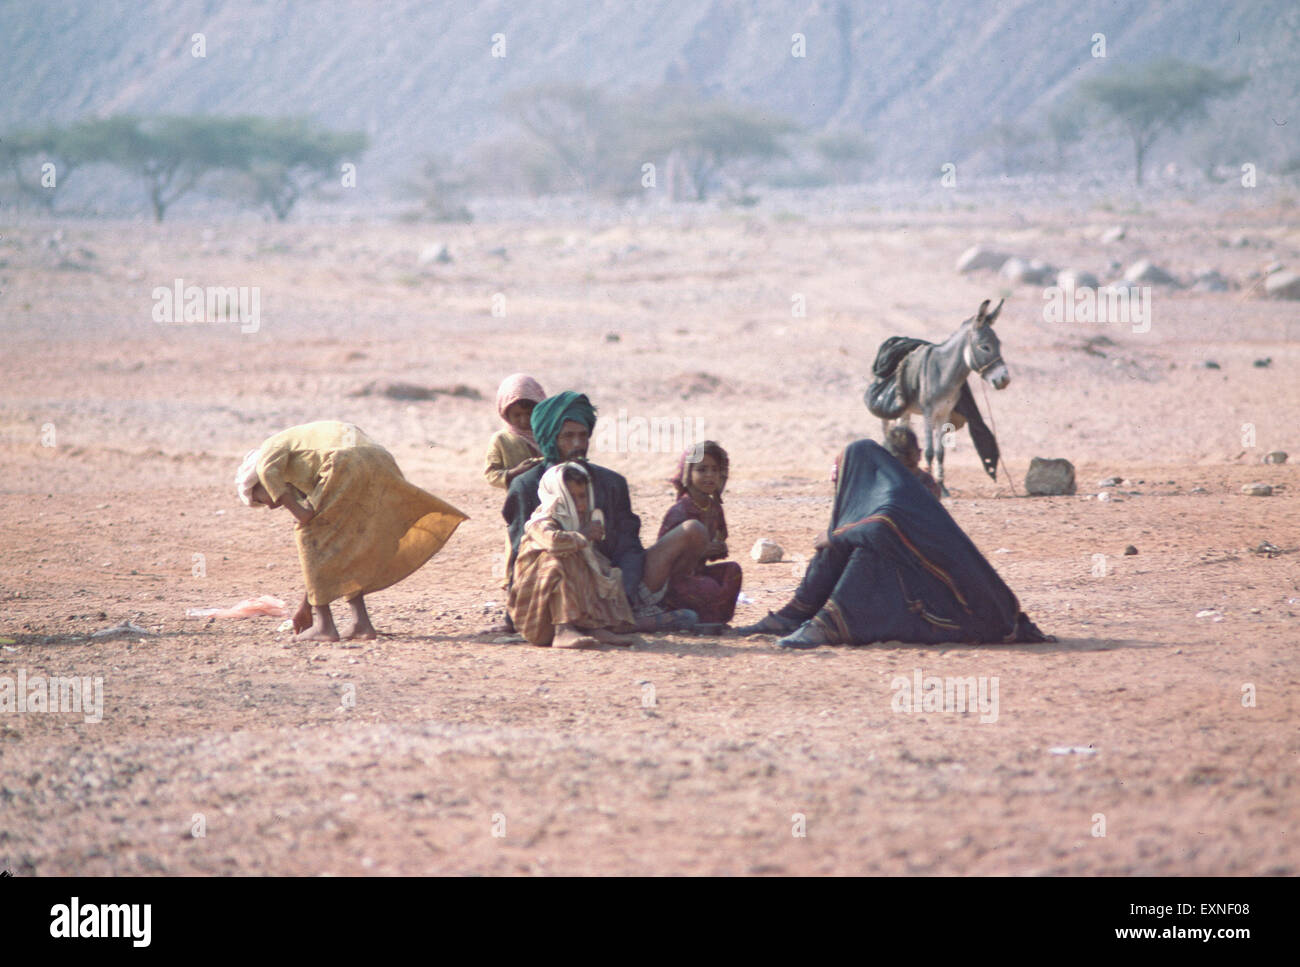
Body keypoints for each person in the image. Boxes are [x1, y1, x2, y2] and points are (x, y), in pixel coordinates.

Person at [734, 439, 1050, 649]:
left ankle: (827, 625)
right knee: (838, 545)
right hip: (919, 580)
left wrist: (836, 535)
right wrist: (835, 538)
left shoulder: (897, 500)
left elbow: (883, 528)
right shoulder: (883, 495)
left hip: (962, 605)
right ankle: (792, 616)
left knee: (865, 551)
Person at [235, 421, 467, 642]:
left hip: (344, 460)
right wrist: (305, 606)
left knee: (310, 536)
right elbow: (332, 552)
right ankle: (361, 623)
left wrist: (298, 512)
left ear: (257, 483)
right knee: (348, 541)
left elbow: (274, 480)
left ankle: (325, 625)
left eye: (261, 499)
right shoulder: (302, 465)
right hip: (379, 459)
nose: (272, 505)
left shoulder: (267, 454)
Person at [502, 391, 704, 630]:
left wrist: (624, 592)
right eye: (567, 436)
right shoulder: (526, 486)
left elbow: (628, 546)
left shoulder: (611, 483)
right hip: (561, 585)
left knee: (694, 530)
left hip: (610, 581)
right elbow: (523, 556)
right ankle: (620, 621)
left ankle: (626, 613)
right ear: (549, 439)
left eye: (582, 436)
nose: (577, 445)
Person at [509, 462, 639, 648]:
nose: (580, 505)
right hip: (537, 618)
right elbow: (553, 542)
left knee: (598, 563)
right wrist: (583, 535)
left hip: (579, 619)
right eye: (571, 497)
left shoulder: (576, 522)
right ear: (557, 496)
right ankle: (563, 629)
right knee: (558, 557)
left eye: (583, 496)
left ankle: (594, 626)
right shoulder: (540, 522)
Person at [656, 442, 743, 625]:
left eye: (715, 470)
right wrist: (702, 551)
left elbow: (716, 545)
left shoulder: (714, 508)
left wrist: (718, 549)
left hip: (698, 573)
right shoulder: (681, 511)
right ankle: (686, 614)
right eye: (702, 470)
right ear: (688, 474)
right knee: (709, 587)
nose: (710, 475)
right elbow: (663, 557)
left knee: (732, 572)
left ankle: (716, 620)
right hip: (674, 581)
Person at [484, 373, 547, 490]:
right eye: (517, 415)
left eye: (529, 413)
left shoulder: (550, 434)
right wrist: (516, 472)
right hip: (520, 499)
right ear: (505, 414)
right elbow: (491, 475)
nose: (524, 420)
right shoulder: (501, 440)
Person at [884, 425, 942, 500]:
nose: (907, 473)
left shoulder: (927, 483)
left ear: (919, 454)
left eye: (910, 466)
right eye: (900, 469)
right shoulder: (883, 484)